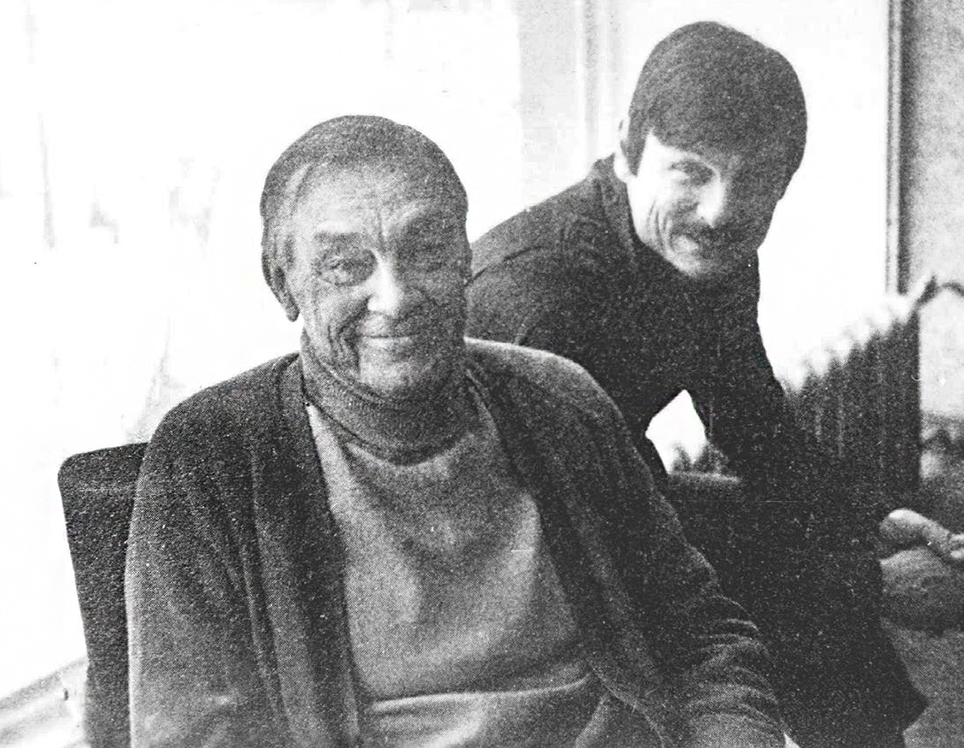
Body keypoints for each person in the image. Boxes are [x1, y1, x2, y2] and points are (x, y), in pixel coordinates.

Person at [124, 115, 791, 748]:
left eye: (427, 251)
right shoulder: (214, 455)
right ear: (283, 283)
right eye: (346, 265)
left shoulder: (559, 401)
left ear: (466, 259)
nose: (395, 298)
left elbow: (703, 638)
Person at [466, 21, 927, 748]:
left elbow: (755, 429)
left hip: (602, 503)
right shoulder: (544, 297)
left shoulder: (704, 250)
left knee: (786, 556)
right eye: (690, 171)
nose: (722, 211)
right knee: (792, 584)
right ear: (628, 150)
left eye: (756, 180)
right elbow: (602, 538)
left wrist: (874, 520)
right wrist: (870, 584)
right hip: (493, 566)